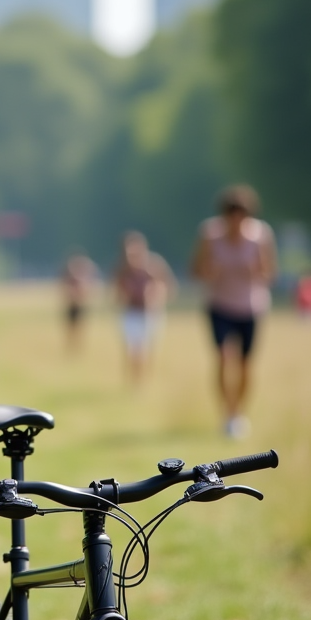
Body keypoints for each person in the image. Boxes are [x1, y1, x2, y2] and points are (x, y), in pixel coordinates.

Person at [189, 185, 277, 439]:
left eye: (242, 216)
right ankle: (226, 412)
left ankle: (238, 412)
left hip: (251, 307)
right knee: (223, 357)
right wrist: (210, 271)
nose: (237, 222)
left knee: (246, 364)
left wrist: (256, 270)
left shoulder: (261, 235)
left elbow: (269, 272)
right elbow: (196, 269)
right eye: (232, 216)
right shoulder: (209, 234)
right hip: (219, 305)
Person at [112, 231, 176, 382]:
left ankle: (144, 378)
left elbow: (169, 286)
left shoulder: (155, 265)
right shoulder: (122, 269)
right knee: (133, 349)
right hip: (131, 313)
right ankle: (134, 379)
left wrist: (156, 294)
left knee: (147, 348)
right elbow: (116, 293)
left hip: (150, 313)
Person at [60, 248, 99, 353]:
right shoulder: (71, 277)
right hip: (72, 306)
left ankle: (77, 346)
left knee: (80, 327)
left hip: (79, 305)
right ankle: (72, 346)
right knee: (71, 327)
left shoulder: (82, 277)